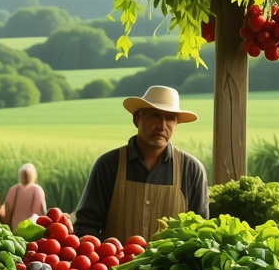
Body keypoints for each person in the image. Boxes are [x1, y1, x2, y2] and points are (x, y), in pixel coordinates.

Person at [73, 85, 209, 241]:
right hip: (115, 265)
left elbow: (200, 230)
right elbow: (86, 225)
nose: (162, 125)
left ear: (176, 123)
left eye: (170, 118)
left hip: (170, 266)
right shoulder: (109, 165)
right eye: (155, 116)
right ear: (137, 119)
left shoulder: (191, 169)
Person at [2, 163, 47, 230]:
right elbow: (40, 212)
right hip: (32, 228)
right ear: (34, 175)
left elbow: (7, 210)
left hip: (16, 228)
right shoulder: (37, 189)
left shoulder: (13, 189)